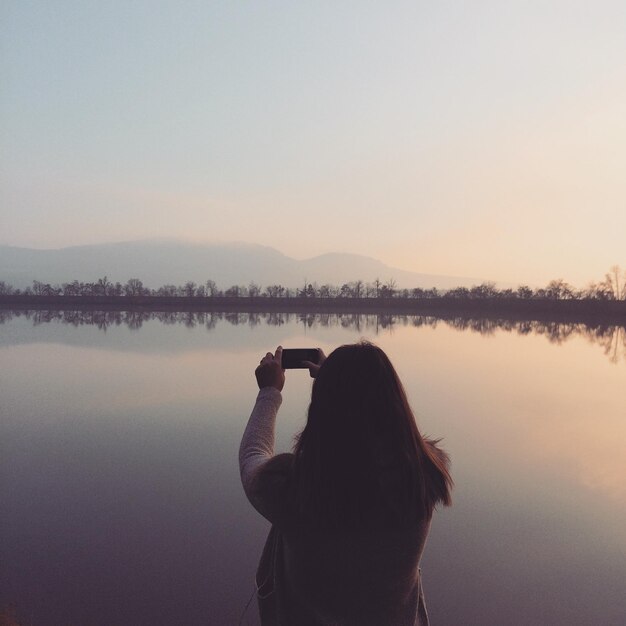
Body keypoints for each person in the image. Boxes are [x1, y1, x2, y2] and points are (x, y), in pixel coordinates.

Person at [239, 342, 452, 626]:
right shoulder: (422, 478)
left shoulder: (296, 491)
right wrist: (343, 383)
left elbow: (253, 456)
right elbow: (398, 436)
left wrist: (269, 393)